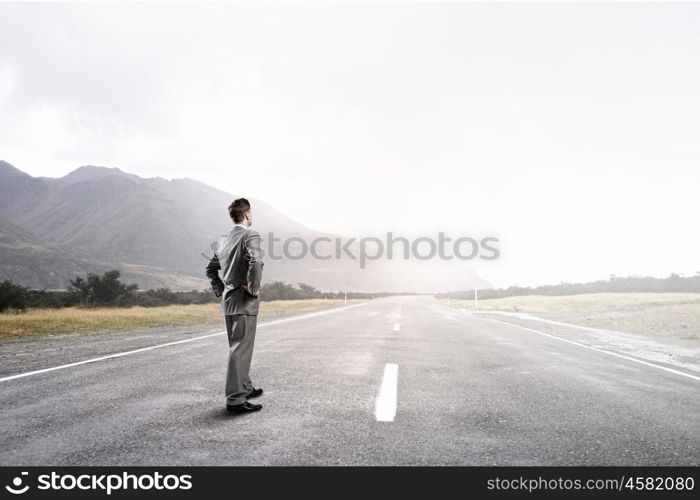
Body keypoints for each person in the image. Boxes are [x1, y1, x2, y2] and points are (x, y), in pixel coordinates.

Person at [205, 198, 264, 414]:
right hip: (243, 301)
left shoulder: (224, 240)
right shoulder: (251, 235)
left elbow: (211, 270)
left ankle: (245, 387)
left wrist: (222, 290)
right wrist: (253, 288)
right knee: (240, 349)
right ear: (247, 215)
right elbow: (255, 263)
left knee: (238, 347)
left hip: (229, 301)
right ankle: (236, 399)